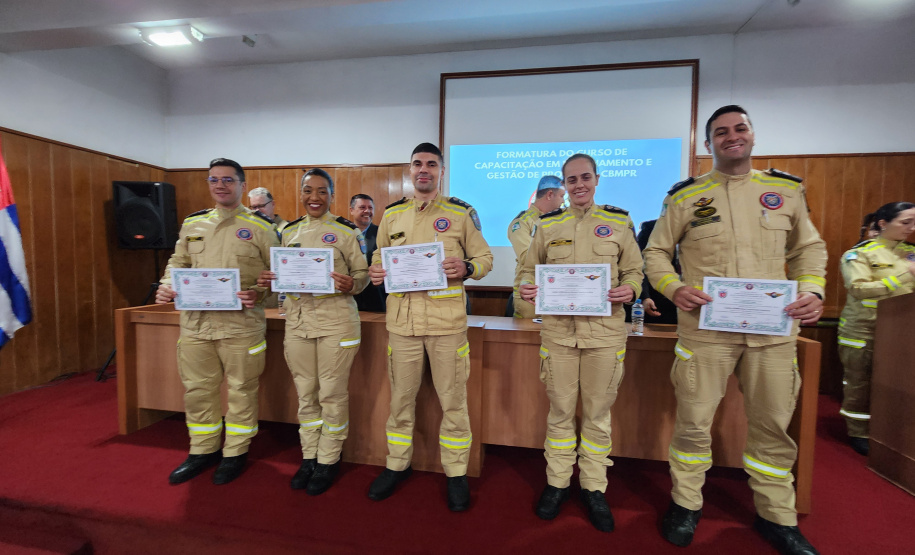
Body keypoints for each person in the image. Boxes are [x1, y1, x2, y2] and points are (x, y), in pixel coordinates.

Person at [643, 105, 826, 555]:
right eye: (721, 132)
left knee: (773, 424)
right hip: (705, 331)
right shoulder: (686, 197)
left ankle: (777, 516)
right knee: (693, 423)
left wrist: (813, 290)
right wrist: (674, 288)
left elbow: (808, 249)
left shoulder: (784, 191)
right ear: (708, 144)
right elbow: (656, 253)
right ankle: (685, 504)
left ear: (752, 135)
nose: (732, 136)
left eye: (739, 128)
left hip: (772, 332)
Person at [518, 154, 643, 532]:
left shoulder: (619, 222)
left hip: (604, 335)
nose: (579, 185)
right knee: (559, 412)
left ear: (597, 179)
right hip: (558, 334)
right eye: (571, 180)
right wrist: (526, 288)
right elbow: (528, 269)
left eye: (585, 177)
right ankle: (557, 483)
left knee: (597, 415)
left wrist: (630, 289)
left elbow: (635, 271)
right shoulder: (547, 224)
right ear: (564, 185)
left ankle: (593, 487)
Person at [366, 142, 493, 511]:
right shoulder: (393, 215)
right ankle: (396, 465)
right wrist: (376, 269)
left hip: (446, 325)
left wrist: (468, 268)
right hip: (402, 324)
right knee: (400, 401)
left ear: (441, 171)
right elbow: (379, 255)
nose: (424, 169)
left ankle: (456, 473)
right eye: (418, 164)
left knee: (454, 402)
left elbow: (485, 258)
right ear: (410, 170)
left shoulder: (460, 213)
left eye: (431, 164)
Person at [156, 158, 279, 485]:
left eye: (227, 180)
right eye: (214, 180)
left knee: (241, 390)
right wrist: (167, 284)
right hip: (196, 324)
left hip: (242, 325)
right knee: (198, 389)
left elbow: (277, 274)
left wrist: (258, 292)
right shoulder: (193, 224)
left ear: (241, 185)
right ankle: (203, 449)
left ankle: (236, 452)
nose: (220, 185)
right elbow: (178, 261)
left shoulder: (262, 227)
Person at [256, 169, 369, 494]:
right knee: (306, 394)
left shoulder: (347, 231)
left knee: (331, 394)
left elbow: (362, 275)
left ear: (331, 195)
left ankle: (328, 459)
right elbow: (278, 273)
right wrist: (268, 279)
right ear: (301, 194)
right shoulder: (288, 231)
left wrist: (352, 283)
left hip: (337, 322)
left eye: (321, 191)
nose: (314, 197)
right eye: (308, 190)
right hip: (298, 322)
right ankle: (309, 456)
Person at [837, 201, 915, 456]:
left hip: (903, 331)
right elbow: (858, 289)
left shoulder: (911, 253)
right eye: (905, 222)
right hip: (864, 329)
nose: (911, 228)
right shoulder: (860, 254)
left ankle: (890, 431)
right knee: (860, 382)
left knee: (898, 384)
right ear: (883, 223)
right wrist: (905, 276)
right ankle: (858, 431)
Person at [507, 175, 565, 319]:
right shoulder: (522, 223)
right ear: (550, 194)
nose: (564, 201)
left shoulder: (560, 222)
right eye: (562, 196)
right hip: (531, 295)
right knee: (529, 333)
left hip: (558, 291)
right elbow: (527, 258)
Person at [350, 193, 386, 312]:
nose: (367, 211)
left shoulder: (382, 233)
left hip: (377, 299)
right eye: (362, 207)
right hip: (349, 299)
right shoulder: (343, 234)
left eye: (370, 208)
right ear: (351, 210)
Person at [636, 219, 676, 325]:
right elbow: (638, 265)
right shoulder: (652, 228)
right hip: (654, 304)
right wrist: (644, 297)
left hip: (690, 305)